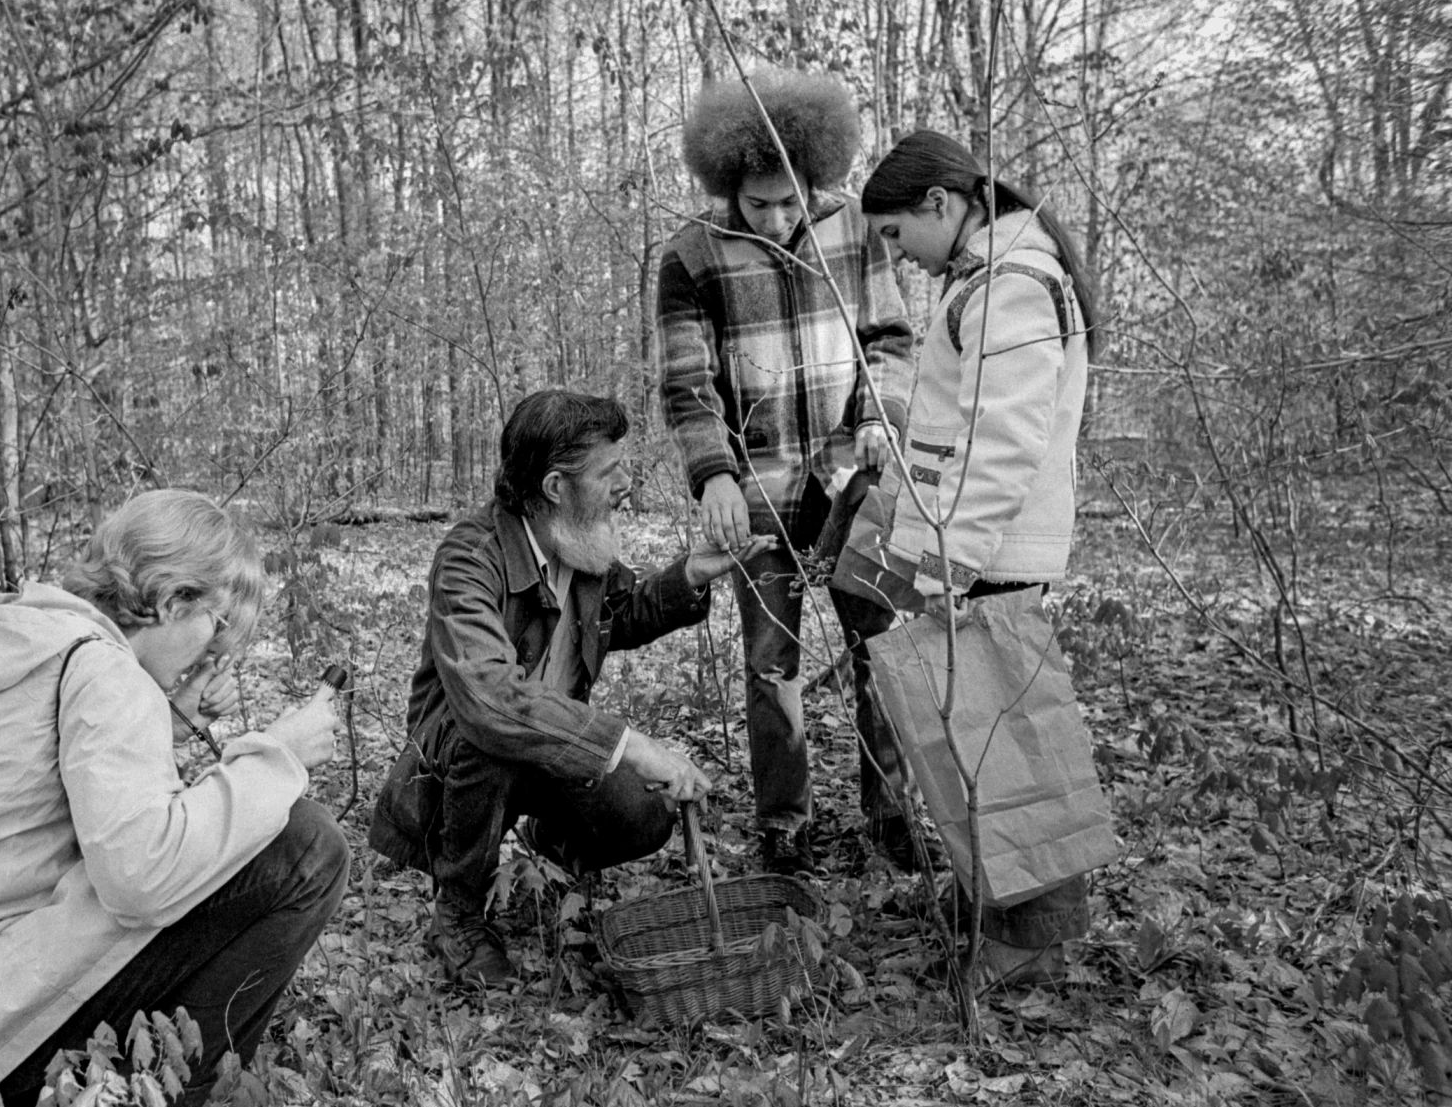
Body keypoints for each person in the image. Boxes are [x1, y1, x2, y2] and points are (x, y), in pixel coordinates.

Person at [0, 490, 350, 1107]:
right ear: (174, 599)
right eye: (215, 629)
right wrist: (277, 757)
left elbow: (39, 801)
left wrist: (167, 717)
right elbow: (141, 877)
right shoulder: (104, 673)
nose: (210, 656)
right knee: (305, 847)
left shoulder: (41, 643)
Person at [369, 390, 771, 988]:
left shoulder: (577, 539)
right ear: (556, 486)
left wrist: (690, 574)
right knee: (490, 737)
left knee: (647, 816)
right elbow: (491, 698)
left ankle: (550, 852)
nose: (626, 484)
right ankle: (457, 915)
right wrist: (631, 745)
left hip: (553, 749)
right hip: (462, 763)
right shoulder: (470, 557)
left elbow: (619, 614)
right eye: (610, 472)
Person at [830, 127, 1102, 988]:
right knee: (980, 738)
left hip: (992, 553)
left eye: (897, 234)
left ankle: (1033, 936)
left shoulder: (1010, 283)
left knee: (1005, 746)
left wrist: (951, 563)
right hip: (977, 548)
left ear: (941, 203)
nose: (898, 256)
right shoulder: (986, 275)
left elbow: (1003, 444)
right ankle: (999, 898)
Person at [658, 68, 917, 875]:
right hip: (756, 492)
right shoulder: (691, 256)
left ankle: (893, 816)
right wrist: (714, 475)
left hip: (853, 482)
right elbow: (688, 384)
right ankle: (784, 828)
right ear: (726, 185)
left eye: (790, 200)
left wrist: (878, 416)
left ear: (814, 177)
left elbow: (890, 340)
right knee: (771, 664)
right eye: (758, 203)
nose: (776, 218)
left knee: (882, 645)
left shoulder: (856, 232)